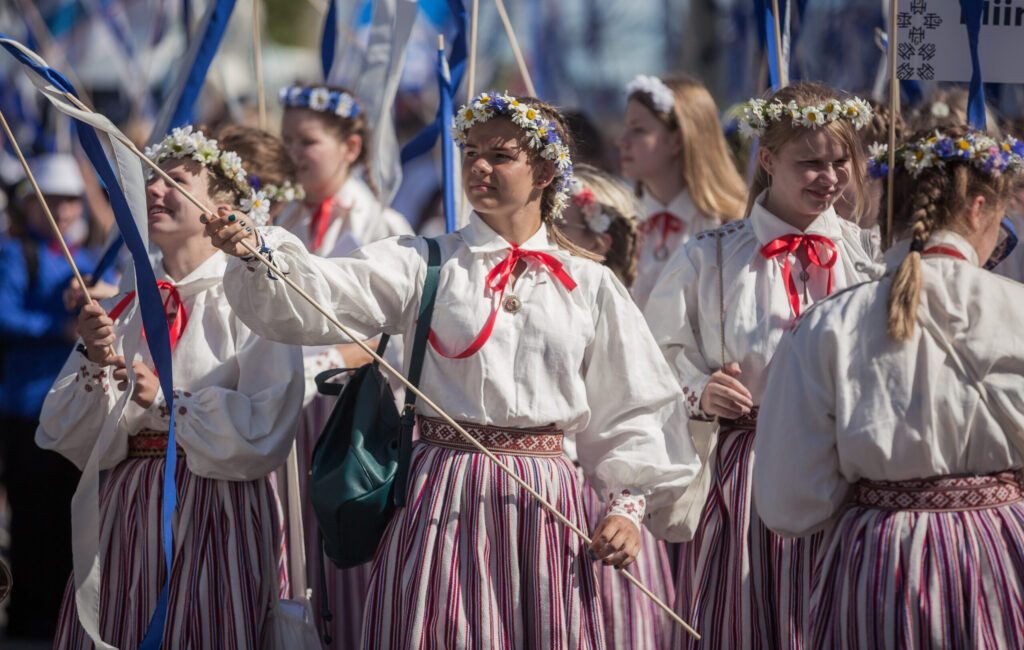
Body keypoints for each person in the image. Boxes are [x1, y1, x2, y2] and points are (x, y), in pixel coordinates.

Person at [206, 91, 699, 649]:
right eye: (470, 152)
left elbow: (634, 405)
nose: (479, 166)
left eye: (500, 154)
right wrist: (258, 252)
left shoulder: (588, 284)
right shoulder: (426, 261)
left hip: (546, 503)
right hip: (443, 492)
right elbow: (324, 291)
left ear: (543, 171)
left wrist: (628, 508)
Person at [754, 125, 1024, 649]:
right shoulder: (1017, 308)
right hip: (1000, 555)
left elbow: (791, 501)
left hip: (880, 561)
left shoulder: (827, 324)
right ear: (976, 208)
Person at [36, 126, 304, 648]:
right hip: (128, 508)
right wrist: (94, 359)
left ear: (221, 205)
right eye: (151, 180)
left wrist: (164, 401)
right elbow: (61, 434)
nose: (154, 191)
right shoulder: (130, 303)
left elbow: (267, 426)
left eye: (175, 181)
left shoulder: (252, 299)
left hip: (214, 505)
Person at [644, 82, 878, 649]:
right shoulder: (711, 256)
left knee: (831, 618)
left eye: (839, 161)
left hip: (845, 469)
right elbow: (651, 361)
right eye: (810, 162)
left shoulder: (867, 255)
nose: (827, 177)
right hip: (747, 470)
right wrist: (702, 390)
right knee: (743, 620)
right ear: (768, 160)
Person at [275, 84, 414, 647]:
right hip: (285, 410)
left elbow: (391, 338)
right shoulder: (280, 216)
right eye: (286, 139)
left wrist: (326, 360)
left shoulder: (383, 223)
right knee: (291, 547)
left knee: (345, 545)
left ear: (351, 147)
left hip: (347, 414)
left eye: (306, 140)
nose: (292, 152)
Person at [560, 164, 676, 647]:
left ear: (599, 241)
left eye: (557, 221)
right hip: (550, 494)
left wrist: (624, 503)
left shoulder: (611, 312)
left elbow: (637, 421)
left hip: (600, 503)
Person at [0, 153, 99, 641]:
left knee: (67, 519)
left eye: (69, 202)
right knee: (32, 520)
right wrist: (57, 329)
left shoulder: (83, 260)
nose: (62, 211)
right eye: (50, 201)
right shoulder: (13, 252)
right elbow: (3, 313)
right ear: (30, 206)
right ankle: (27, 619)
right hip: (24, 407)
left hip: (73, 410)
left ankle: (59, 617)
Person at [618, 74, 747, 308]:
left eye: (638, 129)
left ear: (677, 140)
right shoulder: (618, 225)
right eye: (626, 128)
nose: (623, 141)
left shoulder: (730, 224)